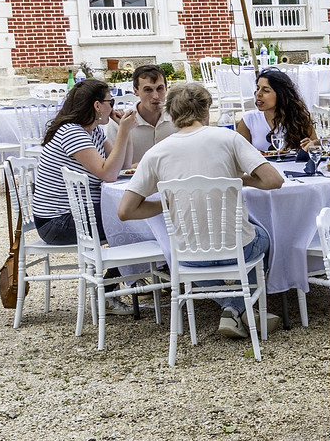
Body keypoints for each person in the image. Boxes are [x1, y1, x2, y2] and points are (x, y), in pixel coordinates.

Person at [116, 82, 284, 341]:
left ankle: (233, 307)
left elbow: (125, 211)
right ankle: (238, 307)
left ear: (171, 113)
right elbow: (274, 181)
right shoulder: (227, 138)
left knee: (194, 257)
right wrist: (240, 178)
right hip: (237, 248)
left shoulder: (156, 153)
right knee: (263, 237)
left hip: (187, 255)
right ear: (206, 109)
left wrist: (166, 202)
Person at [29, 78, 135, 246]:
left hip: (77, 213)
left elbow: (124, 166)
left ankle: (119, 270)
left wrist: (125, 131)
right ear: (97, 106)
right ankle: (121, 271)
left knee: (133, 213)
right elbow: (108, 174)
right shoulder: (72, 132)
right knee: (133, 216)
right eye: (110, 101)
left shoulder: (93, 131)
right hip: (58, 222)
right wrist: (123, 130)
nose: (113, 107)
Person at [236, 67, 317, 154]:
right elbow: (239, 153)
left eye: (266, 90)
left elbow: (316, 150)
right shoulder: (249, 120)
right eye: (257, 88)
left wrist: (310, 145)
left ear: (281, 94)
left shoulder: (299, 118)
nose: (258, 94)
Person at [109, 64, 174, 167]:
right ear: (136, 91)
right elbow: (111, 166)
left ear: (166, 88)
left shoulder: (178, 119)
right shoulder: (119, 123)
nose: (155, 96)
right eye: (148, 90)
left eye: (160, 88)